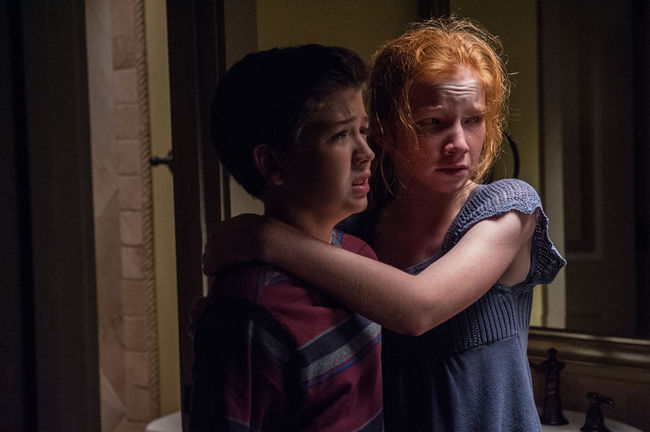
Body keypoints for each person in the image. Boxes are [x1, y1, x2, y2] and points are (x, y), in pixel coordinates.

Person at [203, 18, 566, 431]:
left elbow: (418, 308)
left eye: (474, 120)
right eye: (433, 123)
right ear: (385, 131)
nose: (459, 144)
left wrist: (265, 237)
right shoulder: (355, 238)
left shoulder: (508, 208)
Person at [187, 45, 385, 431]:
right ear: (273, 163)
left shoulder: (360, 256)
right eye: (341, 134)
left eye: (362, 131)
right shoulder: (250, 314)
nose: (366, 153)